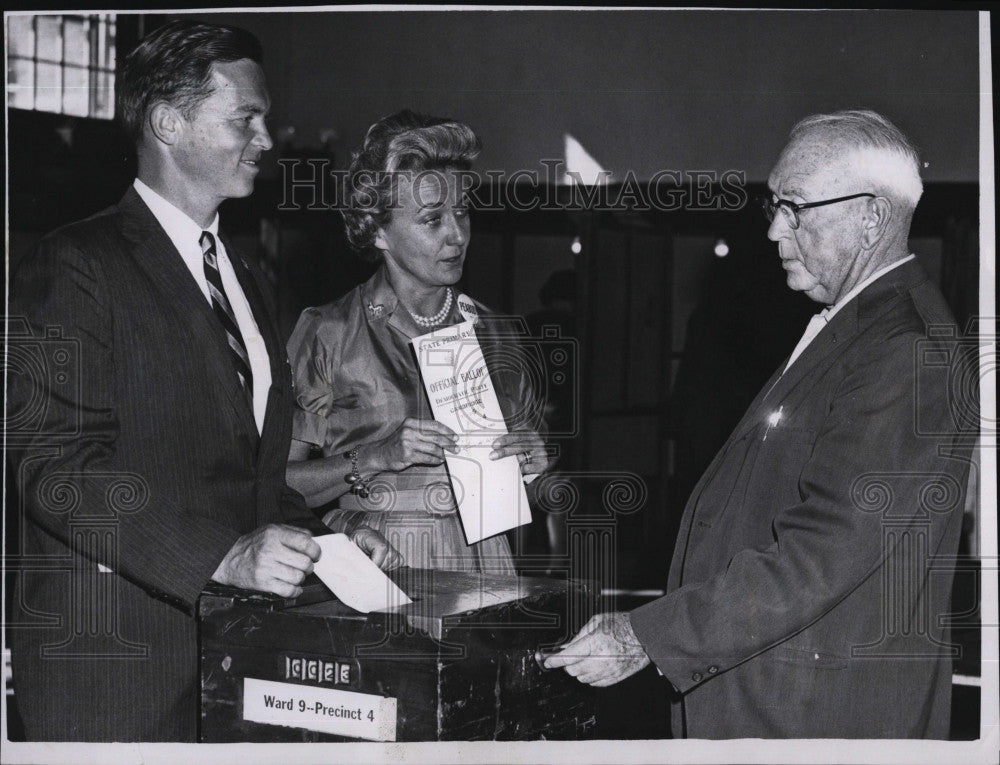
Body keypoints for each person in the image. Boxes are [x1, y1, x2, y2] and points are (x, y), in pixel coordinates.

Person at [6, 20, 398, 742]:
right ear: (168, 122)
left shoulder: (242, 276)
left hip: (230, 661)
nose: (268, 138)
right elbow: (55, 470)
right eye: (245, 117)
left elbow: (246, 476)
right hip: (113, 671)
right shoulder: (72, 267)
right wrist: (221, 555)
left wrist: (329, 540)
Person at [544, 110, 972, 738]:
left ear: (872, 218)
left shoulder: (904, 351)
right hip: (781, 695)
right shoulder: (860, 323)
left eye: (795, 207)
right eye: (774, 205)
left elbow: (818, 555)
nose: (774, 229)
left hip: (811, 716)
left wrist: (647, 636)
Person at [286, 110, 551, 573]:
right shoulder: (328, 331)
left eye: (463, 212)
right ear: (379, 229)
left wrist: (535, 463)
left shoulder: (498, 331)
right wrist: (377, 455)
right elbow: (276, 488)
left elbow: (531, 492)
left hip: (485, 560)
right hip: (379, 558)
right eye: (432, 220)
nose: (457, 235)